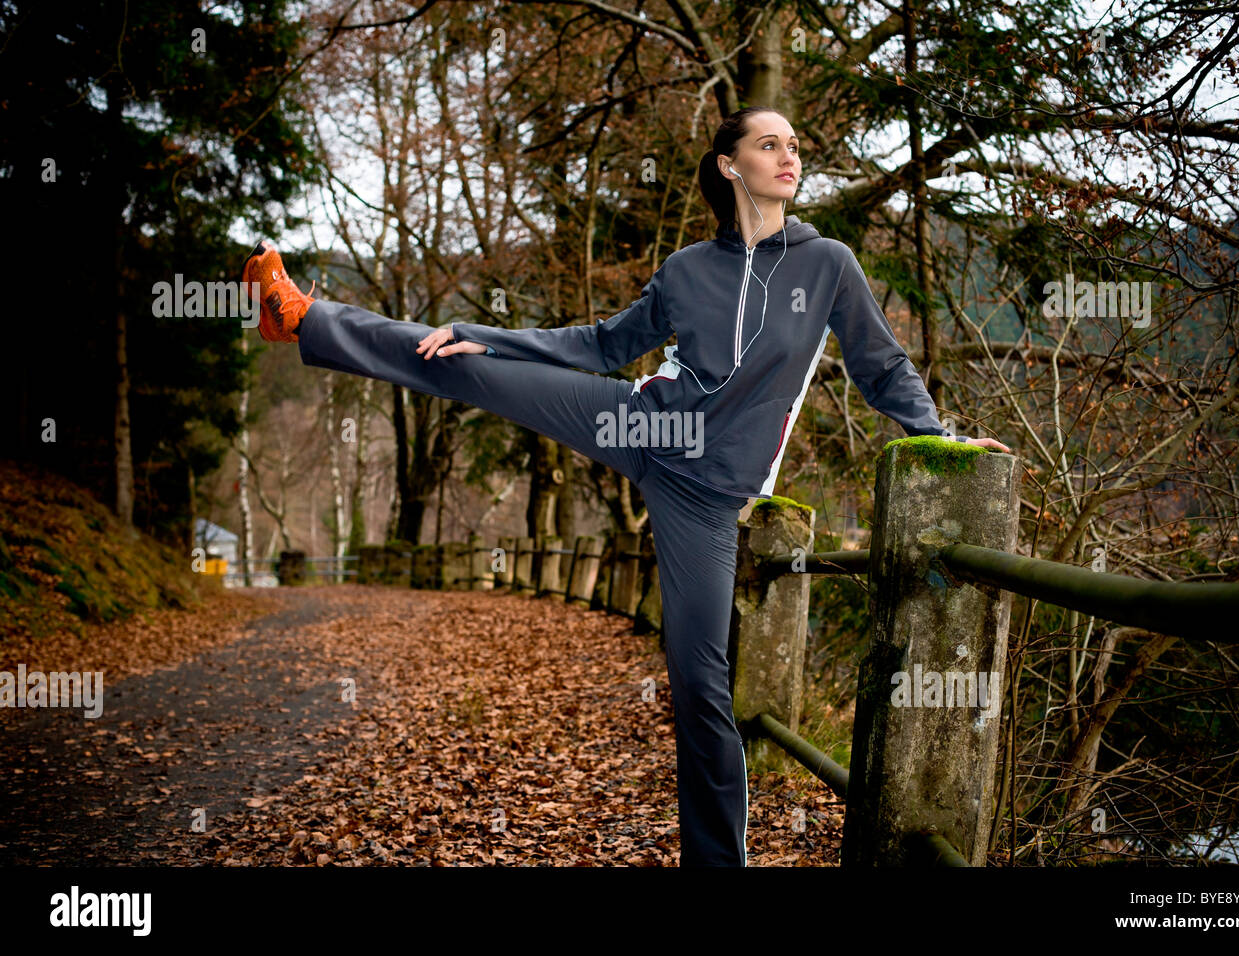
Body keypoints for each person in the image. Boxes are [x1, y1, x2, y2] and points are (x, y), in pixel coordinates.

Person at [240, 105, 1011, 867]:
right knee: (469, 365)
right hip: (639, 423)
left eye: (794, 146)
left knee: (698, 688)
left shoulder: (827, 264)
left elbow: (880, 366)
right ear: (728, 164)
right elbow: (604, 344)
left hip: (706, 495)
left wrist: (935, 435)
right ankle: (302, 317)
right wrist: (498, 336)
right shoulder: (687, 271)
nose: (789, 157)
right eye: (769, 144)